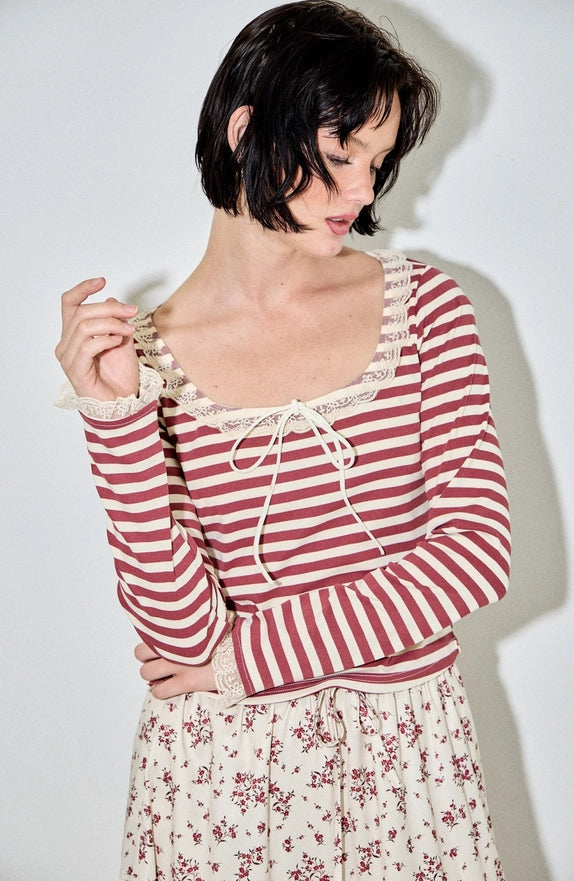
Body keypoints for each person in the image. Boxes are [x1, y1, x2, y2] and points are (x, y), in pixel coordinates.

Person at [55, 2, 510, 878]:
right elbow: (180, 635)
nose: (364, 193)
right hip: (220, 777)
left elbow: (475, 554)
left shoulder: (427, 313)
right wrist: (114, 421)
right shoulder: (143, 356)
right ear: (244, 130)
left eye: (377, 164)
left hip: (405, 762)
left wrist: (251, 656)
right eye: (342, 156)